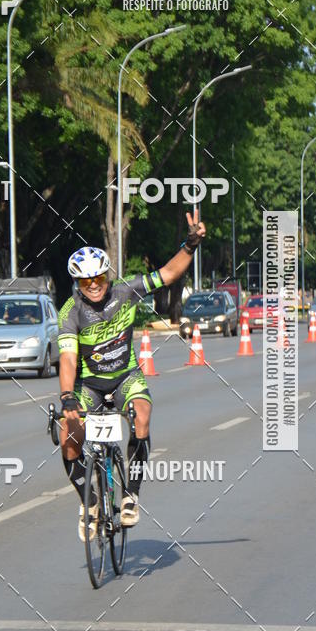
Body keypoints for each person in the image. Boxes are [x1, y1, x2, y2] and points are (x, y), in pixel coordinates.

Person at [58, 210, 206, 541]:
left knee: (142, 413)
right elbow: (67, 359)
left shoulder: (126, 291)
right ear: (77, 283)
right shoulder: (70, 313)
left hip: (125, 375)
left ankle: (131, 496)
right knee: (70, 437)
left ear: (108, 277)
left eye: (99, 278)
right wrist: (68, 396)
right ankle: (90, 501)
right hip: (88, 385)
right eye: (86, 281)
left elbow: (167, 274)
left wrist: (191, 244)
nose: (94, 285)